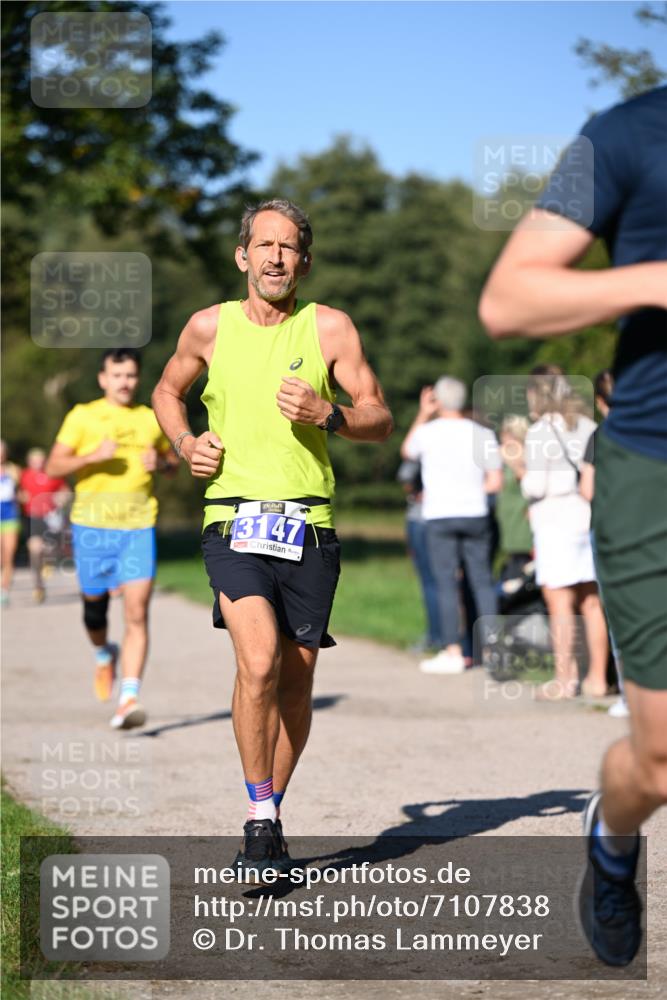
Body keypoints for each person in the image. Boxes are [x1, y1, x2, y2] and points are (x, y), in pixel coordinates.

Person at [479, 86, 667, 967]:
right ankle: (611, 833)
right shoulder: (629, 132)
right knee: (661, 757)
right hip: (653, 466)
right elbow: (508, 300)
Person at [151, 198, 393, 879]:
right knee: (257, 663)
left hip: (308, 523)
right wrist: (182, 443)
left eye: (288, 248)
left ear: (304, 261)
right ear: (243, 256)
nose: (276, 257)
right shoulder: (208, 327)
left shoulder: (331, 330)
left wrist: (332, 415)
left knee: (295, 682)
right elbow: (167, 393)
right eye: (264, 245)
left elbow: (379, 417)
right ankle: (258, 820)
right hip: (233, 518)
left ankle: (273, 812)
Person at [46, 348, 178, 729]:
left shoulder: (150, 419)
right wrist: (90, 457)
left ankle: (129, 697)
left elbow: (172, 462)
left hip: (138, 527)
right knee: (94, 610)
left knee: (137, 612)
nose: (125, 382)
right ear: (103, 379)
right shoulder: (83, 416)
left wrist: (163, 463)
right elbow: (55, 465)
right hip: (91, 526)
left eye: (131, 376)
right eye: (117, 375)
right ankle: (104, 653)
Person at [401, 378, 502, 675]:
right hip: (476, 513)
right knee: (482, 582)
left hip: (440, 514)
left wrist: (423, 412)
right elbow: (495, 481)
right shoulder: (483, 433)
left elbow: (407, 450)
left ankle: (453, 651)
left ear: (439, 401)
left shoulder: (428, 433)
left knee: (446, 582)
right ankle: (494, 653)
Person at [519, 365, 608, 700]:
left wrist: (519, 469)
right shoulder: (588, 425)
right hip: (586, 517)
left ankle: (564, 678)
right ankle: (597, 678)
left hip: (554, 521)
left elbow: (535, 484)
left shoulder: (540, 431)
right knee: (591, 601)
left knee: (559, 603)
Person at [580, 370, 629, 719]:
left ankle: (631, 696)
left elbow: (588, 490)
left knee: (619, 613)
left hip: (611, 530)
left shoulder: (601, 435)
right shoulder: (652, 430)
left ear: (599, 400)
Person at [397, 458, 443, 654]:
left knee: (430, 583)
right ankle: (454, 638)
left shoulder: (424, 439)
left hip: (422, 519)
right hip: (454, 516)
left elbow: (405, 475)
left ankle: (435, 637)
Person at [18, 448, 70, 604]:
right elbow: (19, 493)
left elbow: (65, 491)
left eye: (40, 459)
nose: (38, 463)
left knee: (51, 549)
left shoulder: (53, 474)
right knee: (34, 550)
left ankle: (48, 562)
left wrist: (60, 499)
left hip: (50, 518)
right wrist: (22, 498)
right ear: (29, 462)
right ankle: (38, 585)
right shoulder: (24, 475)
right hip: (33, 518)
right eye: (34, 460)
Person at [0, 440, 21, 606]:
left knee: (8, 554)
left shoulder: (13, 471)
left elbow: (22, 492)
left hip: (10, 517)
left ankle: (4, 590)